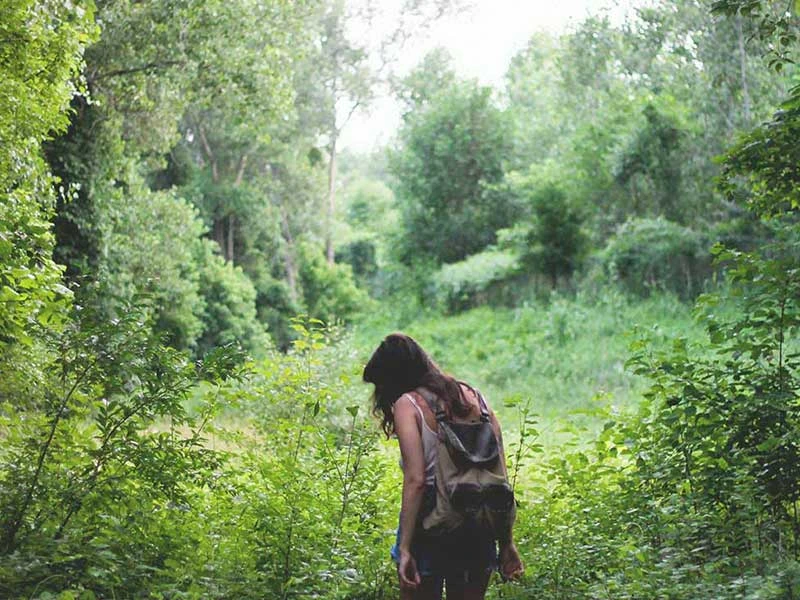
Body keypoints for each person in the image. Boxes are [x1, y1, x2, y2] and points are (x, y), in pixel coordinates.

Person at [363, 333, 523, 600]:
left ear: (392, 378)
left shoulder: (408, 404)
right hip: (479, 521)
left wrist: (405, 549)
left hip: (430, 524)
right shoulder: (477, 399)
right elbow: (500, 477)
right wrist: (506, 542)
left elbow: (416, 480)